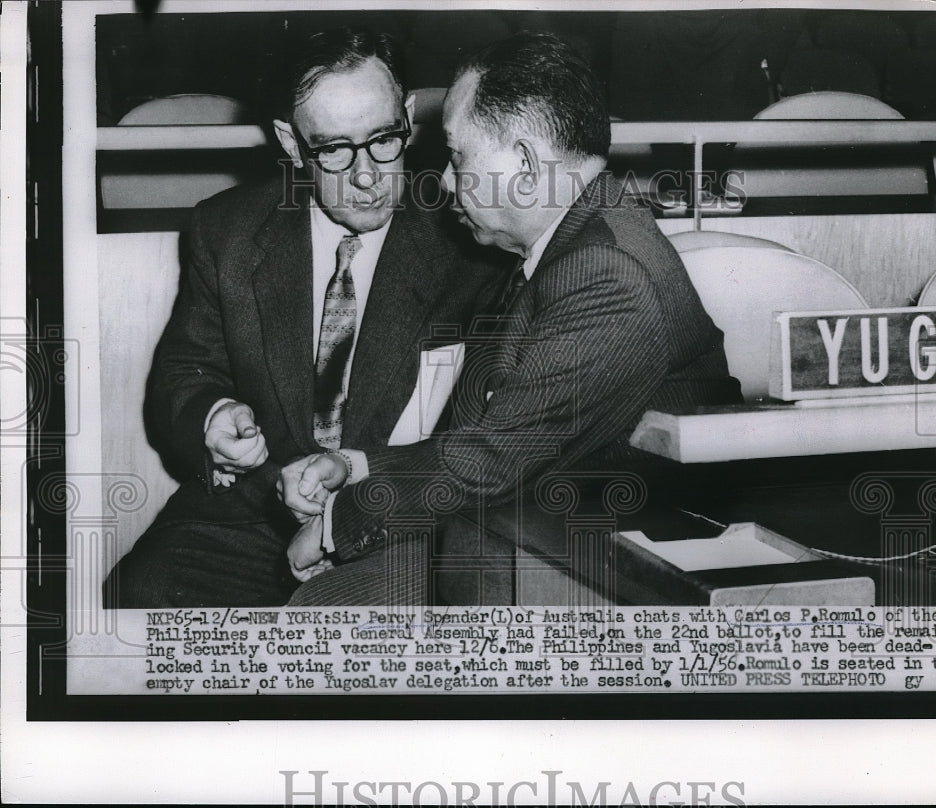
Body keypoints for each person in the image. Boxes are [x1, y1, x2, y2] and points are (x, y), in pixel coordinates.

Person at [281, 32, 743, 605]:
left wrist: (335, 529)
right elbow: (489, 440)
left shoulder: (606, 272)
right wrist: (357, 467)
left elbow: (494, 459)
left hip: (604, 564)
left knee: (321, 610)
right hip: (533, 524)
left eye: (457, 155)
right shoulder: (567, 238)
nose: (445, 181)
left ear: (524, 163)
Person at [103, 28, 509, 607]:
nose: (366, 175)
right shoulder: (229, 230)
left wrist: (355, 511)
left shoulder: (472, 240)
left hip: (397, 525)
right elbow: (185, 371)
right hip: (247, 515)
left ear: (409, 117)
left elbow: (488, 438)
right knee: (136, 601)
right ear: (293, 146)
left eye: (383, 140)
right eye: (334, 150)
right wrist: (213, 416)